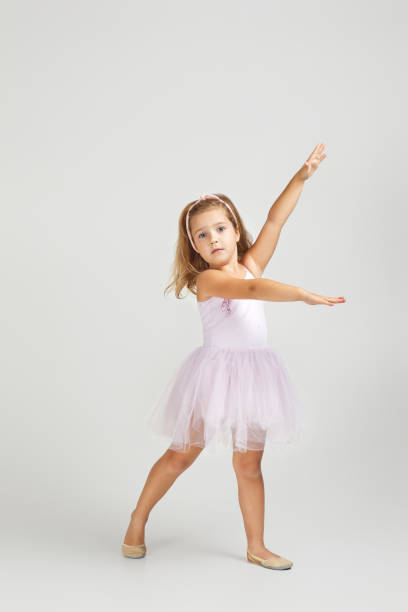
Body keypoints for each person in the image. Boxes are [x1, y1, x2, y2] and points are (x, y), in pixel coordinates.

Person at [121, 143, 346, 570]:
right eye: (202, 235)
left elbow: (276, 220)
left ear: (235, 230)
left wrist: (301, 177)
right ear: (195, 248)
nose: (213, 239)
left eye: (220, 229)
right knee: (182, 454)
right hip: (214, 377)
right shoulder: (209, 281)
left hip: (256, 376)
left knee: (249, 465)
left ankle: (257, 545)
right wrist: (301, 295)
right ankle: (138, 518)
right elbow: (252, 291)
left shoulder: (251, 263)